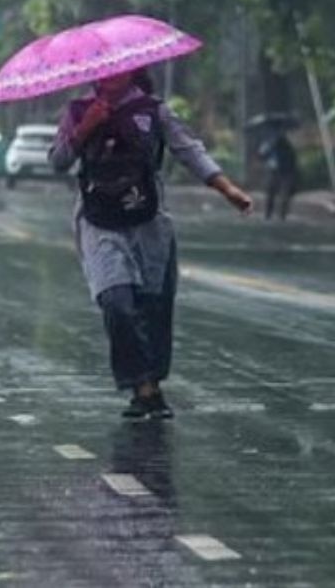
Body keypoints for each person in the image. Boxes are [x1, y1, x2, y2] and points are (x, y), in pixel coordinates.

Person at [49, 67, 252, 419]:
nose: (111, 75)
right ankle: (140, 384)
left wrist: (226, 189)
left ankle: (150, 386)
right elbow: (58, 161)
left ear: (132, 70)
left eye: (119, 69)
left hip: (148, 223)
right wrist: (85, 128)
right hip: (100, 223)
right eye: (104, 69)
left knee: (153, 307)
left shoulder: (153, 110)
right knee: (117, 302)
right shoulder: (78, 111)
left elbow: (188, 150)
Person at [258, 129, 298, 220]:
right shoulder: (274, 144)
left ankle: (275, 215)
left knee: (277, 193)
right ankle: (277, 215)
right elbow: (262, 155)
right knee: (277, 193)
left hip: (281, 171)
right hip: (281, 171)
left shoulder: (277, 144)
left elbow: (262, 155)